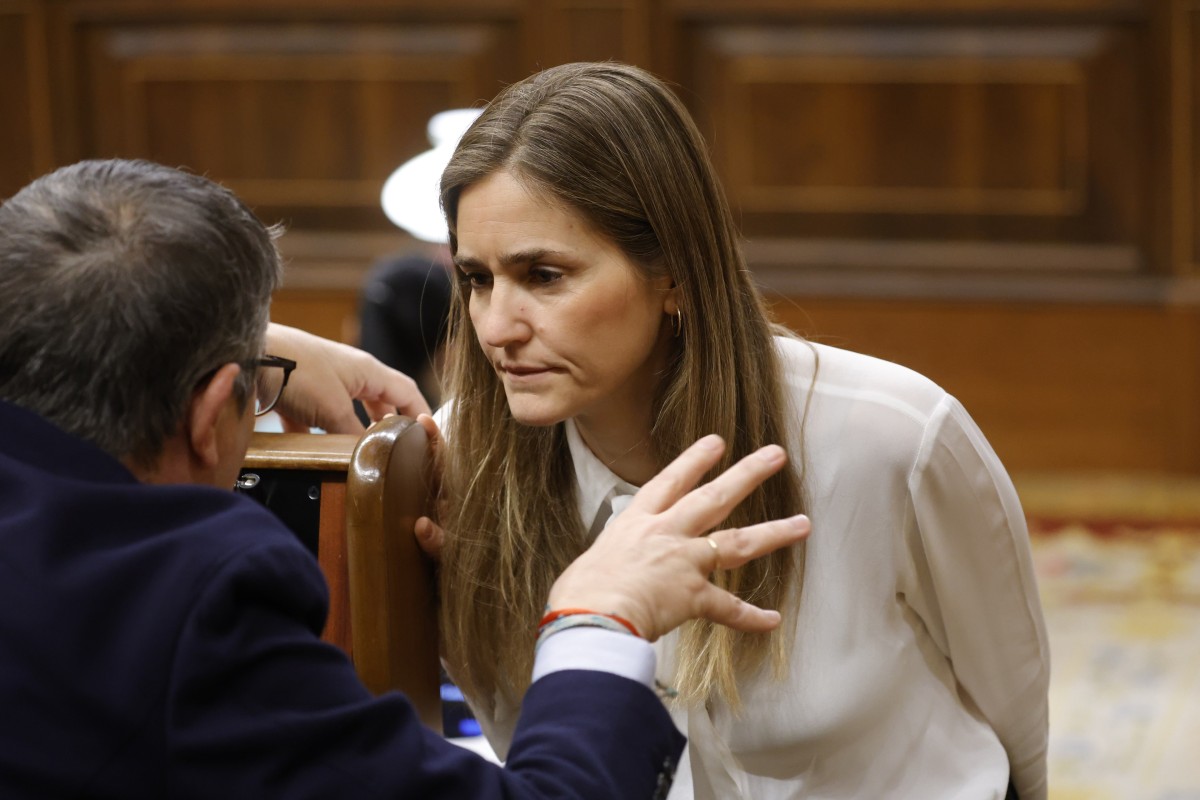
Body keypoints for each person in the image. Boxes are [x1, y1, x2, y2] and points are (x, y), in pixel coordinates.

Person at [0, 158, 811, 798]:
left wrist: (245, 344)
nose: (497, 327)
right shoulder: (185, 608)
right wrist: (597, 618)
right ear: (214, 416)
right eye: (257, 393)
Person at [426, 62, 1051, 800]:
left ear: (676, 275)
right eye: (477, 279)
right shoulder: (457, 459)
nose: (497, 327)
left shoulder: (893, 436)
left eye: (545, 276)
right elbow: (519, 738)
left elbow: (1015, 708)